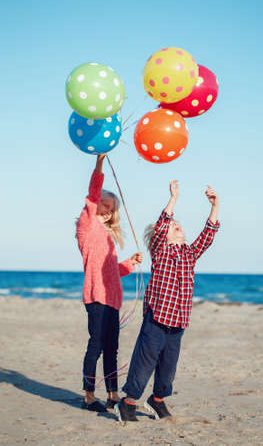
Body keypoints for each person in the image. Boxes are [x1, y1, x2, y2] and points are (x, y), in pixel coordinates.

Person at [115, 180, 219, 422]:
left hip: (178, 322)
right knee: (145, 361)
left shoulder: (189, 254)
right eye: (173, 226)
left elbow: (208, 234)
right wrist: (173, 200)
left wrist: (215, 205)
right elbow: (161, 226)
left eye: (179, 225)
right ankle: (128, 403)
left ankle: (157, 400)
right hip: (157, 318)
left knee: (168, 367)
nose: (177, 226)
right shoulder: (161, 250)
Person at [76, 154, 143, 413]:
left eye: (111, 208)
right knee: (96, 346)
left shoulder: (107, 237)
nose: (107, 210)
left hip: (113, 300)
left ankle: (113, 395)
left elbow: (113, 272)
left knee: (112, 350)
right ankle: (88, 396)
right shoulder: (87, 226)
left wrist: (130, 263)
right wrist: (100, 163)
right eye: (103, 205)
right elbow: (92, 194)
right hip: (96, 298)